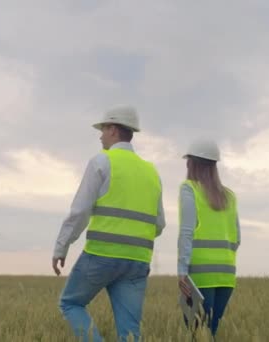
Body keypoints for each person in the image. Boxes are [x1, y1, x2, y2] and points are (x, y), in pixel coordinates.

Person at [52, 105, 166, 342]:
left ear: (113, 129)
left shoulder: (101, 161)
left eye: (103, 129)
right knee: (131, 332)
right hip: (138, 260)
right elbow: (159, 224)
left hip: (101, 255)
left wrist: (61, 246)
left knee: (70, 303)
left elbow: (79, 212)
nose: (100, 135)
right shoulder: (151, 172)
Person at [177, 139, 240, 338]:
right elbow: (237, 238)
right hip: (226, 275)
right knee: (210, 333)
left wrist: (181, 270)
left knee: (197, 334)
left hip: (200, 274)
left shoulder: (189, 189)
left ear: (192, 163)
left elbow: (186, 233)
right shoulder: (230, 196)